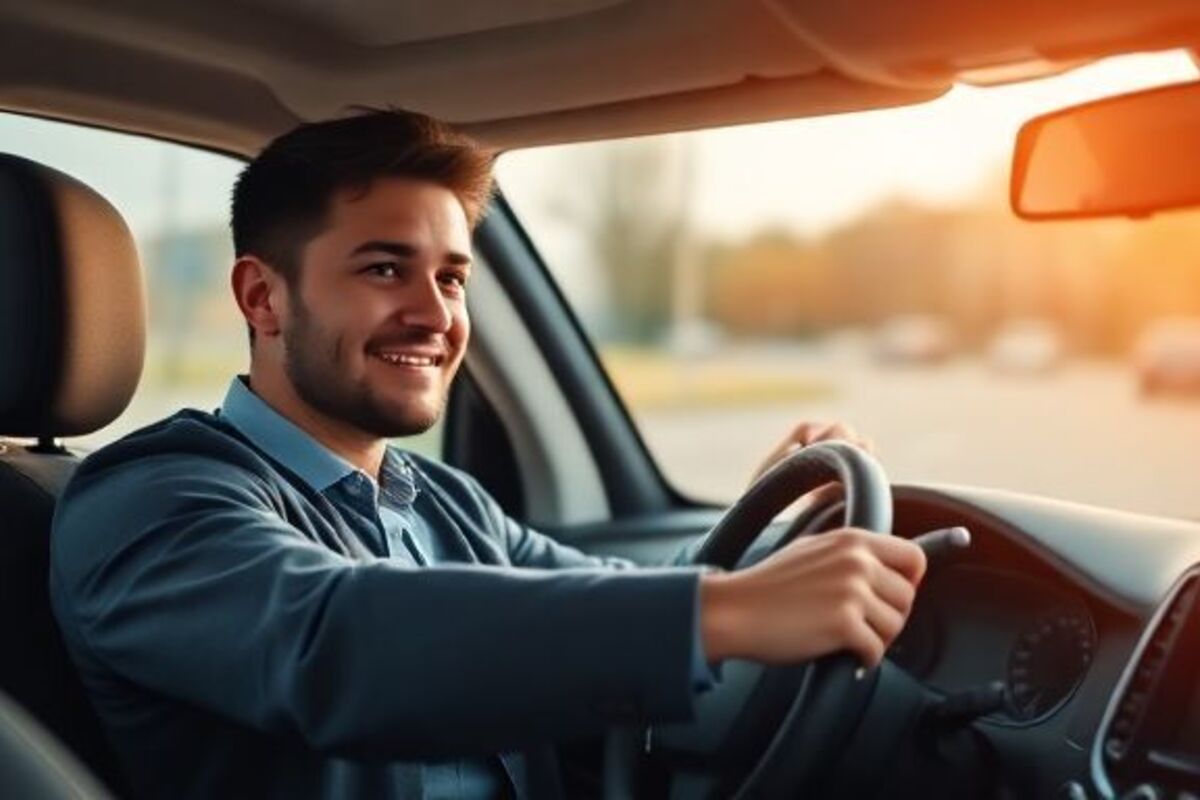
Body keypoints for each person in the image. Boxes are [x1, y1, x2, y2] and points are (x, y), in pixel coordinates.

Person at [49, 109, 926, 799]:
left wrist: (773, 532)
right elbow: (337, 644)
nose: (436, 314)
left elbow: (593, 609)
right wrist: (723, 611)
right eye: (386, 269)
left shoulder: (444, 504)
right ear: (263, 298)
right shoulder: (149, 500)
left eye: (452, 277)